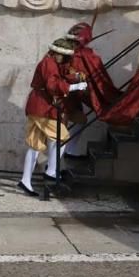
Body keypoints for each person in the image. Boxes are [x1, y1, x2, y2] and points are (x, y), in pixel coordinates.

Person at [20, 38, 87, 196]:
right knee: (61, 136)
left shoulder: (51, 62)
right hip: (42, 107)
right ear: (57, 52)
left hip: (37, 106)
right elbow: (52, 84)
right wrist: (74, 86)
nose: (62, 59)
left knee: (34, 145)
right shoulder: (48, 63)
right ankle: (51, 171)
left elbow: (61, 75)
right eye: (61, 55)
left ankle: (25, 180)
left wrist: (75, 77)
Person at [62, 22, 121, 159]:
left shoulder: (78, 53)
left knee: (80, 120)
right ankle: (52, 167)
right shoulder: (83, 55)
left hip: (71, 92)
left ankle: (69, 152)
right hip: (62, 93)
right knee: (59, 130)